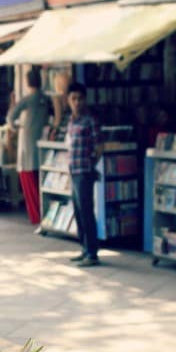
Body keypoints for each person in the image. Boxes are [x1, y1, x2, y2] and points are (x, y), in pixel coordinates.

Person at [7, 69, 52, 225]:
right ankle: (45, 214)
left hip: (27, 146)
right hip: (43, 145)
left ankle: (35, 216)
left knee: (29, 182)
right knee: (41, 182)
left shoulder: (27, 100)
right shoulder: (46, 99)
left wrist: (15, 127)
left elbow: (11, 117)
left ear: (27, 82)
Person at [66, 82, 101, 267]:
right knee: (78, 212)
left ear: (85, 100)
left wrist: (91, 164)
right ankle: (84, 248)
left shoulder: (90, 120)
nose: (77, 102)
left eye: (80, 98)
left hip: (84, 172)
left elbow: (98, 146)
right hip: (73, 171)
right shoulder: (71, 121)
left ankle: (92, 253)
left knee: (87, 212)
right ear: (68, 100)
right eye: (73, 99)